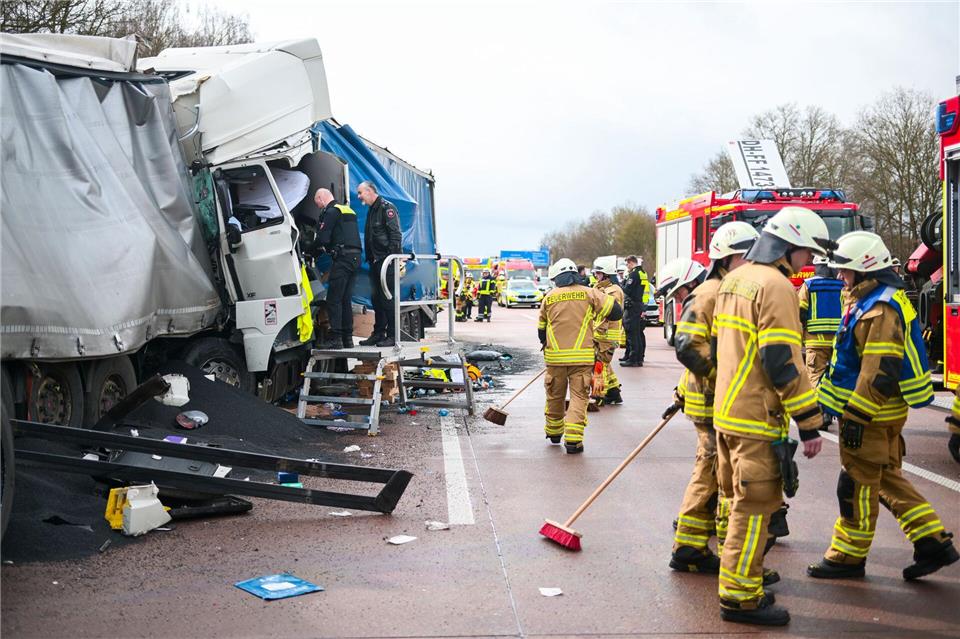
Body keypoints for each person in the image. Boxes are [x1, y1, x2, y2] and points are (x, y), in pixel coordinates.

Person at [809, 231, 958, 581]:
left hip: (870, 415)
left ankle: (847, 556)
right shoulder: (874, 299)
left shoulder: (878, 309)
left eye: (845, 269)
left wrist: (857, 416)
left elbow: (878, 370)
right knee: (888, 479)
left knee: (856, 486)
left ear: (865, 269)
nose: (840, 275)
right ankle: (932, 542)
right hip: (881, 413)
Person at [712, 207, 829, 626]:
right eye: (807, 252)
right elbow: (782, 359)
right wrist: (809, 421)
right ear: (788, 246)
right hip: (756, 418)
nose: (808, 261)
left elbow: (720, 347)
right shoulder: (776, 286)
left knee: (735, 503)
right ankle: (741, 598)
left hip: (727, 413)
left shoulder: (734, 279)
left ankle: (740, 584)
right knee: (756, 508)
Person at [665, 222, 759, 575]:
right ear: (729, 258)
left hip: (720, 399)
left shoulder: (728, 289)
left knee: (713, 471)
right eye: (748, 256)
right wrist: (728, 377)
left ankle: (692, 547)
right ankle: (713, 553)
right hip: (715, 401)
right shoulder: (712, 293)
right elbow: (688, 346)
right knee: (717, 474)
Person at [539, 258, 621, 454]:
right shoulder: (589, 293)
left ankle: (554, 433)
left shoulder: (549, 297)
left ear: (556, 278)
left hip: (555, 359)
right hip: (582, 358)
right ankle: (573, 441)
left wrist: (548, 345)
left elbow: (541, 330)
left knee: (555, 395)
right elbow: (616, 312)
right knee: (578, 397)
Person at [797, 256, 844, 429]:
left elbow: (800, 312)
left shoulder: (809, 285)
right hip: (838, 342)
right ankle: (832, 410)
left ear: (816, 266)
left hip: (815, 342)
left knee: (815, 376)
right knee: (834, 377)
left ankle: (821, 413)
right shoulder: (843, 285)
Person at [313, 188, 362, 349]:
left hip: (342, 259)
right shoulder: (348, 210)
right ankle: (347, 339)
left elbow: (323, 239)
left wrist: (310, 251)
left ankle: (336, 339)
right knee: (345, 299)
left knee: (334, 300)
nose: (319, 207)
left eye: (318, 204)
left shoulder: (331, 212)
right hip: (355, 259)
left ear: (321, 198)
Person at [358, 181, 402, 347]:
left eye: (360, 192)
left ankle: (392, 336)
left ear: (370, 191)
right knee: (376, 299)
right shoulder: (372, 210)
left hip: (386, 262)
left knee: (388, 299)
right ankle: (378, 334)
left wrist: (390, 259)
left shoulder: (386, 208)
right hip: (375, 262)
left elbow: (395, 235)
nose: (359, 196)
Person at [591, 256, 625, 406]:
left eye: (598, 273)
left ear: (606, 275)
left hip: (608, 335)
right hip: (599, 333)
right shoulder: (599, 288)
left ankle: (599, 395)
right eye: (595, 273)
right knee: (604, 363)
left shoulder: (614, 291)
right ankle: (613, 392)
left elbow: (610, 312)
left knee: (600, 364)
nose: (596, 276)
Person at [620, 255, 649, 367]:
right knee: (637, 333)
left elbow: (628, 290)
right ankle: (638, 358)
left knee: (632, 333)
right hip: (639, 305)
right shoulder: (642, 273)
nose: (627, 266)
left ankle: (633, 359)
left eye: (627, 264)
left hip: (632, 306)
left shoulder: (633, 274)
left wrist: (620, 285)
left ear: (631, 262)